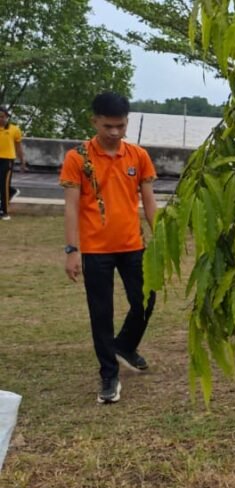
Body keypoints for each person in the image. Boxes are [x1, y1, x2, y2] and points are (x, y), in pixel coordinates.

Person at [60, 93, 158, 404]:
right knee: (101, 313)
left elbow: (149, 201)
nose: (114, 132)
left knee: (145, 299)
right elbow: (72, 207)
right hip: (96, 250)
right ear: (95, 122)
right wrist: (72, 250)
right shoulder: (78, 158)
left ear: (127, 122)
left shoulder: (138, 156)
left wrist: (162, 239)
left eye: (120, 126)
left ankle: (125, 345)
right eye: (108, 126)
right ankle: (108, 373)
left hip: (133, 245)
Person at [0, 106, 28, 220]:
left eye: (2, 116)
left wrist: (22, 162)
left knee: (3, 185)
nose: (0, 119)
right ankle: (13, 191)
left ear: (7, 117)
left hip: (7, 160)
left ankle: (4, 212)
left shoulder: (14, 129)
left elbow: (19, 148)